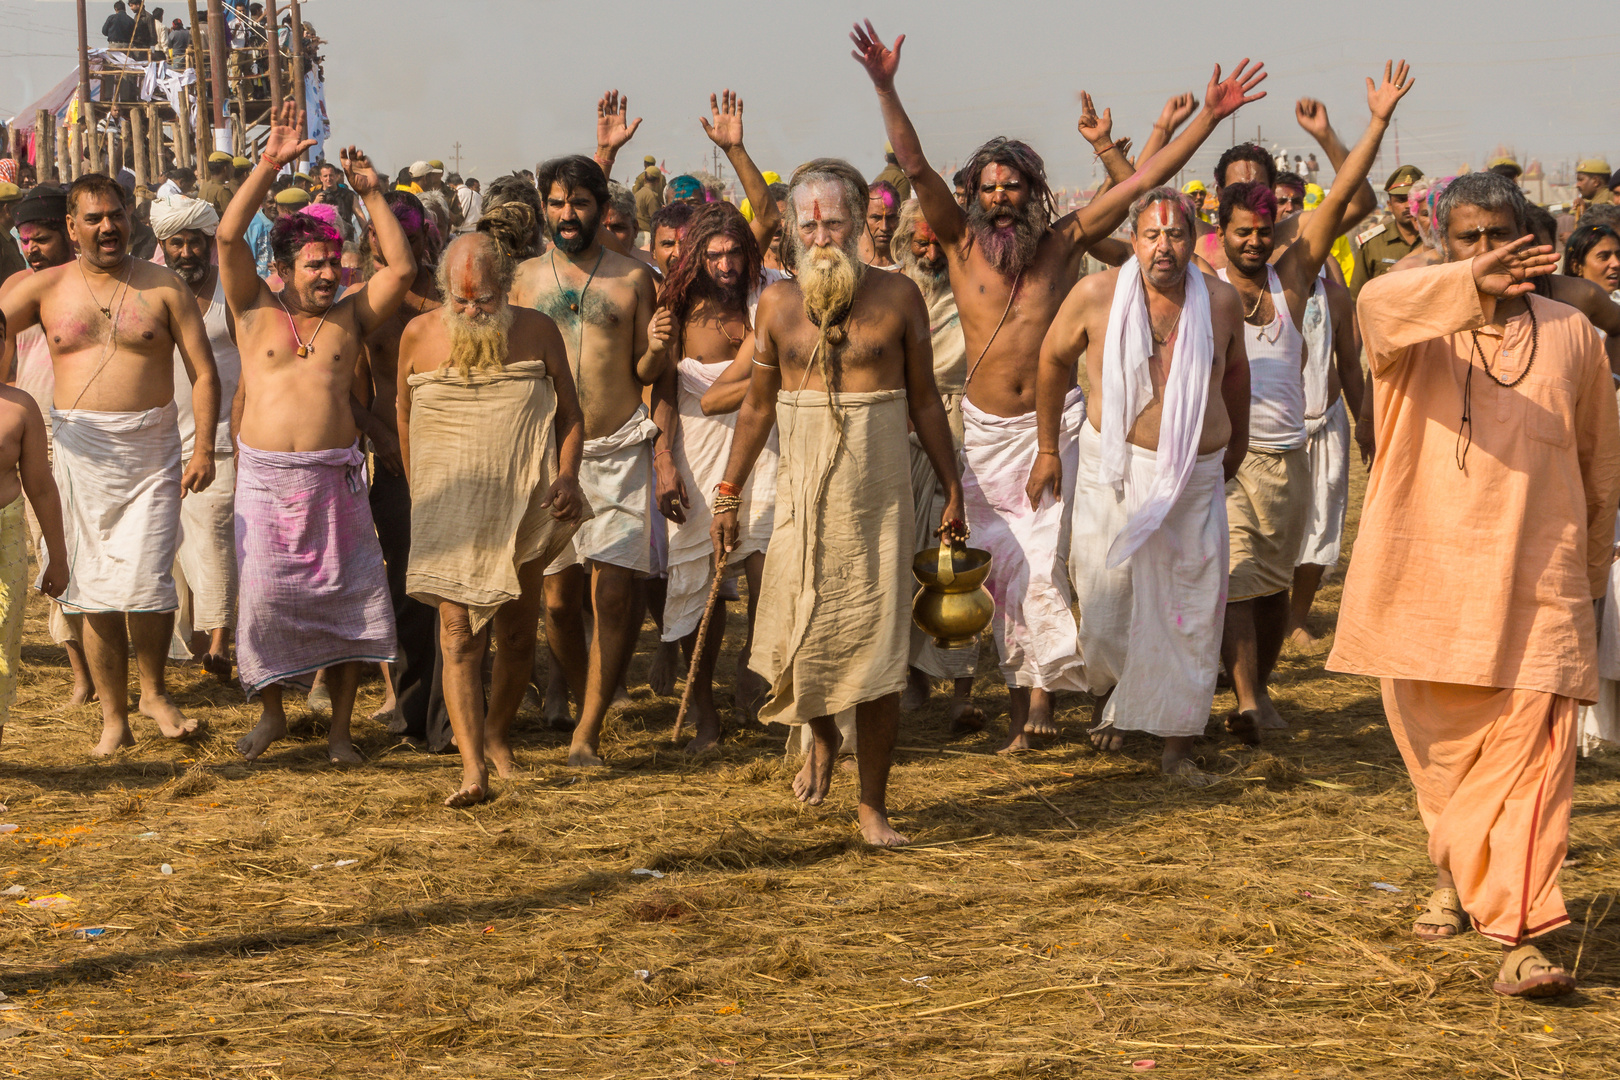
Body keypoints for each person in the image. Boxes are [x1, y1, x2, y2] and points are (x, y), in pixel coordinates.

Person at [852, 18, 1268, 749]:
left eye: (1015, 186)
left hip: (1057, 431)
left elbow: (1140, 181)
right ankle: (1016, 707)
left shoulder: (1063, 243)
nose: (1004, 197)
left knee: (1047, 569)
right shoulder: (957, 242)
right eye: (991, 187)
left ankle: (1044, 708)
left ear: (1034, 191)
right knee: (1001, 578)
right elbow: (915, 166)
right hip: (980, 437)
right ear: (974, 196)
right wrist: (886, 85)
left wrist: (1209, 116)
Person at [1328, 171, 1620, 998]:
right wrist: (1464, 286)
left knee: (1531, 767)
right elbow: (1373, 311)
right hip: (1425, 579)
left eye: (1502, 237)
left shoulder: (1572, 334)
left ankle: (1522, 936)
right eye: (1469, 239)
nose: (1489, 254)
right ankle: (1458, 870)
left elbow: (1602, 465)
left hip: (1541, 585)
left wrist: (1590, 577)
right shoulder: (1410, 318)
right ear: (1444, 247)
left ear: (1531, 240)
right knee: (1445, 765)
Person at [710, 158, 964, 846]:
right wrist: (728, 492)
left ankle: (872, 807)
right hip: (800, 507)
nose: (821, 235)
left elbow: (923, 403)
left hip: (878, 506)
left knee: (880, 660)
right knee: (794, 642)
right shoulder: (778, 305)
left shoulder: (900, 296)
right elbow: (758, 407)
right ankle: (821, 736)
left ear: (858, 225)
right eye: (808, 223)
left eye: (834, 221)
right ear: (790, 232)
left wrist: (952, 485)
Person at [1213, 61, 1411, 744]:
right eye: (1239, 210)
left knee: (1271, 584)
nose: (1253, 227)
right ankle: (1247, 699)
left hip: (1289, 449)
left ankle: (1252, 683)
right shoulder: (1196, 271)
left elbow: (1350, 196)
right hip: (1227, 456)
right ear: (1219, 212)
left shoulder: (1293, 266)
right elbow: (1130, 211)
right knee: (1239, 576)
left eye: (1263, 211)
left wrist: (1367, 123)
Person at [217, 105, 414, 765]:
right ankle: (272, 714)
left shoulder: (349, 318)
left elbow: (403, 273)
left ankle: (339, 733)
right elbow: (224, 238)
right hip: (268, 486)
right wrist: (267, 164)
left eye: (334, 262)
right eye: (314, 264)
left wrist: (371, 194)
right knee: (266, 602)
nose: (328, 273)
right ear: (281, 267)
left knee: (346, 604)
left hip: (336, 484)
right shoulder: (253, 310)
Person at [0, 174, 221, 757]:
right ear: (71, 228)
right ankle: (113, 717)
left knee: (149, 578)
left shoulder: (165, 287)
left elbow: (204, 371)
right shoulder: (44, 289)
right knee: (93, 587)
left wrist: (201, 450)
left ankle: (153, 692)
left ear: (132, 218)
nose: (107, 227)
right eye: (94, 218)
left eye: (116, 215)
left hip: (151, 451)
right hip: (78, 452)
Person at [1033, 188, 1249, 777]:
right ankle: (1114, 701)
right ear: (1133, 241)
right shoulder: (1095, 294)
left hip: (1193, 478)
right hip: (1116, 471)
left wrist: (1238, 441)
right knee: (1105, 608)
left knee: (1190, 611)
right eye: (1151, 235)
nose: (1164, 247)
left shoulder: (1221, 301)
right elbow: (1052, 361)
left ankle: (1176, 746)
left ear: (1192, 239)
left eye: (1175, 234)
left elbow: (1234, 373)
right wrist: (1048, 448)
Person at [397, 233, 586, 805]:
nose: (473, 311)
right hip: (450, 510)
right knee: (458, 635)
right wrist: (419, 489)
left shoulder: (537, 330)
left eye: (483, 300)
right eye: (461, 301)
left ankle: (498, 736)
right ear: (443, 291)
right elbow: (405, 418)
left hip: (524, 504)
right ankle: (472, 765)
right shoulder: (419, 336)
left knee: (517, 636)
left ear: (505, 288)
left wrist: (568, 476)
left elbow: (571, 416)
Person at [508, 154, 669, 766]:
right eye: (556, 203)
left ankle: (588, 733)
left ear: (601, 208)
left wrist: (657, 350)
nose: (567, 215)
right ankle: (583, 696)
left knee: (615, 597)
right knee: (556, 600)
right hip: (549, 456)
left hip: (619, 450)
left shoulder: (633, 279)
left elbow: (646, 372)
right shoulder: (526, 279)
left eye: (578, 203)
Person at [354, 189, 447, 746]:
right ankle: (414, 714)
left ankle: (454, 716)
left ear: (424, 240)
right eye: (379, 237)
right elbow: (346, 392)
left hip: (455, 459)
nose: (390, 248)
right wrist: (378, 431)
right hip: (397, 467)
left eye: (405, 239)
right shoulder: (363, 307)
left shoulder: (452, 299)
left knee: (459, 593)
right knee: (408, 591)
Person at [890, 199, 979, 726]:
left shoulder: (974, 286)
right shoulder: (892, 289)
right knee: (905, 558)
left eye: (935, 242)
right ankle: (912, 677)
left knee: (960, 561)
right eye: (919, 243)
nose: (929, 252)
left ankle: (963, 690)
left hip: (963, 428)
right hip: (901, 430)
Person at [0, 187, 91, 702]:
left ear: (69, 231)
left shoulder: (90, 283)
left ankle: (110, 664)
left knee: (88, 547)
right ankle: (79, 670)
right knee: (48, 550)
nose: (32, 248)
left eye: (43, 238)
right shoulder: (16, 287)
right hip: (30, 432)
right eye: (25, 239)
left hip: (84, 427)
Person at [149, 194, 240, 682]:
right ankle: (196, 643)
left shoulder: (234, 292)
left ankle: (222, 642)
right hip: (163, 439)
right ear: (163, 246)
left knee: (216, 539)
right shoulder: (153, 289)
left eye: (195, 243)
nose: (186, 253)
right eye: (176, 243)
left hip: (223, 437)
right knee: (177, 548)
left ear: (210, 243)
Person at [1193, 98, 1378, 273]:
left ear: (1272, 191)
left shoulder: (1295, 233)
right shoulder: (1198, 239)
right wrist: (1173, 127)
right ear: (1220, 193)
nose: (1248, 195)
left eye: (1258, 187)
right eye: (1238, 189)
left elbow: (1360, 204)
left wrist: (1326, 136)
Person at [0, 308, 68, 747]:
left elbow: (40, 487)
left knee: (2, 648)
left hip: (5, 533)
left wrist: (57, 556)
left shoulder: (19, 406)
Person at [1352, 165, 1424, 299]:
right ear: (1389, 205)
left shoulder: (1439, 241)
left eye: (1413, 199)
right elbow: (1357, 297)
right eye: (1401, 200)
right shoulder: (1373, 244)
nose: (1408, 205)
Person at [1564, 223, 1620, 299]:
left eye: (1619, 255)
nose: (1617, 263)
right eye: (1604, 257)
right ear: (1577, 267)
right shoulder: (1566, 309)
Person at [860, 181, 900, 269]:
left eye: (891, 217)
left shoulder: (909, 260)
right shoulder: (851, 258)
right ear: (862, 217)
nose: (884, 227)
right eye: (876, 218)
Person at [197, 152, 234, 219]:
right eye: (231, 167)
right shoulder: (222, 191)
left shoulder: (205, 186)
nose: (233, 170)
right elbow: (233, 217)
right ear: (225, 169)